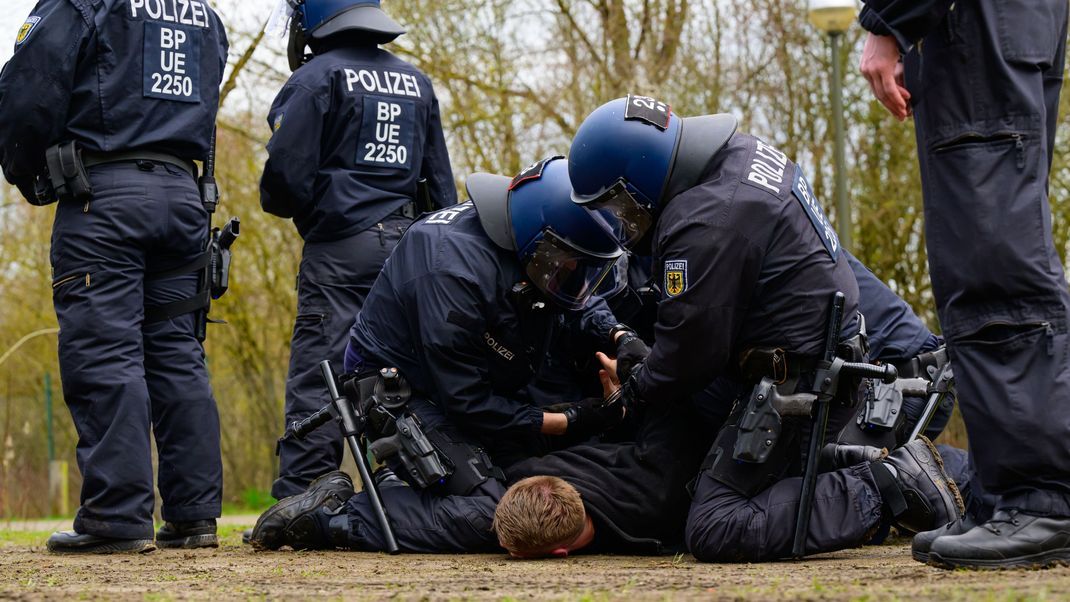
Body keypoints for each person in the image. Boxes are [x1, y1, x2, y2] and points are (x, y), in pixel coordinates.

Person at [566, 96, 964, 562]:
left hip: (808, 387)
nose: (620, 222)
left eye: (618, 206)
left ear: (641, 181)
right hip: (828, 362)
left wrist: (631, 393)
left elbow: (689, 358)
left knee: (717, 525)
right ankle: (974, 479)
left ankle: (888, 485)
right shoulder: (740, 155)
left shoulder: (704, 220)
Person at [248, 157, 631, 550]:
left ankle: (403, 491)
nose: (577, 276)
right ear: (542, 243)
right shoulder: (450, 268)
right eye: (571, 266)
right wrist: (569, 419)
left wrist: (621, 336)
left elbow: (579, 303)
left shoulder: (531, 240)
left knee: (540, 482)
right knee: (504, 515)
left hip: (485, 381)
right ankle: (334, 516)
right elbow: (470, 402)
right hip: (405, 394)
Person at [0, 0, 229, 552]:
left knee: (106, 352)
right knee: (177, 352)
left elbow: (27, 94)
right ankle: (194, 515)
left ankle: (116, 517)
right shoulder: (204, 15)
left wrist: (29, 175)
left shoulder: (84, 3)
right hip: (184, 197)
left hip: (104, 196)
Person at [858, 0, 1070, 569]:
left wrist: (888, 21)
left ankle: (1041, 500)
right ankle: (1005, 494)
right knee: (985, 248)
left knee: (994, 259)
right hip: (997, 26)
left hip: (978, 28)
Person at [262, 0, 458, 500]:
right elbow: (441, 184)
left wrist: (317, 208)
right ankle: (409, 484)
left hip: (341, 249)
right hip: (410, 247)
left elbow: (284, 181)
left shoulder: (316, 78)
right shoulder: (416, 82)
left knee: (321, 369)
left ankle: (306, 490)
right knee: (398, 372)